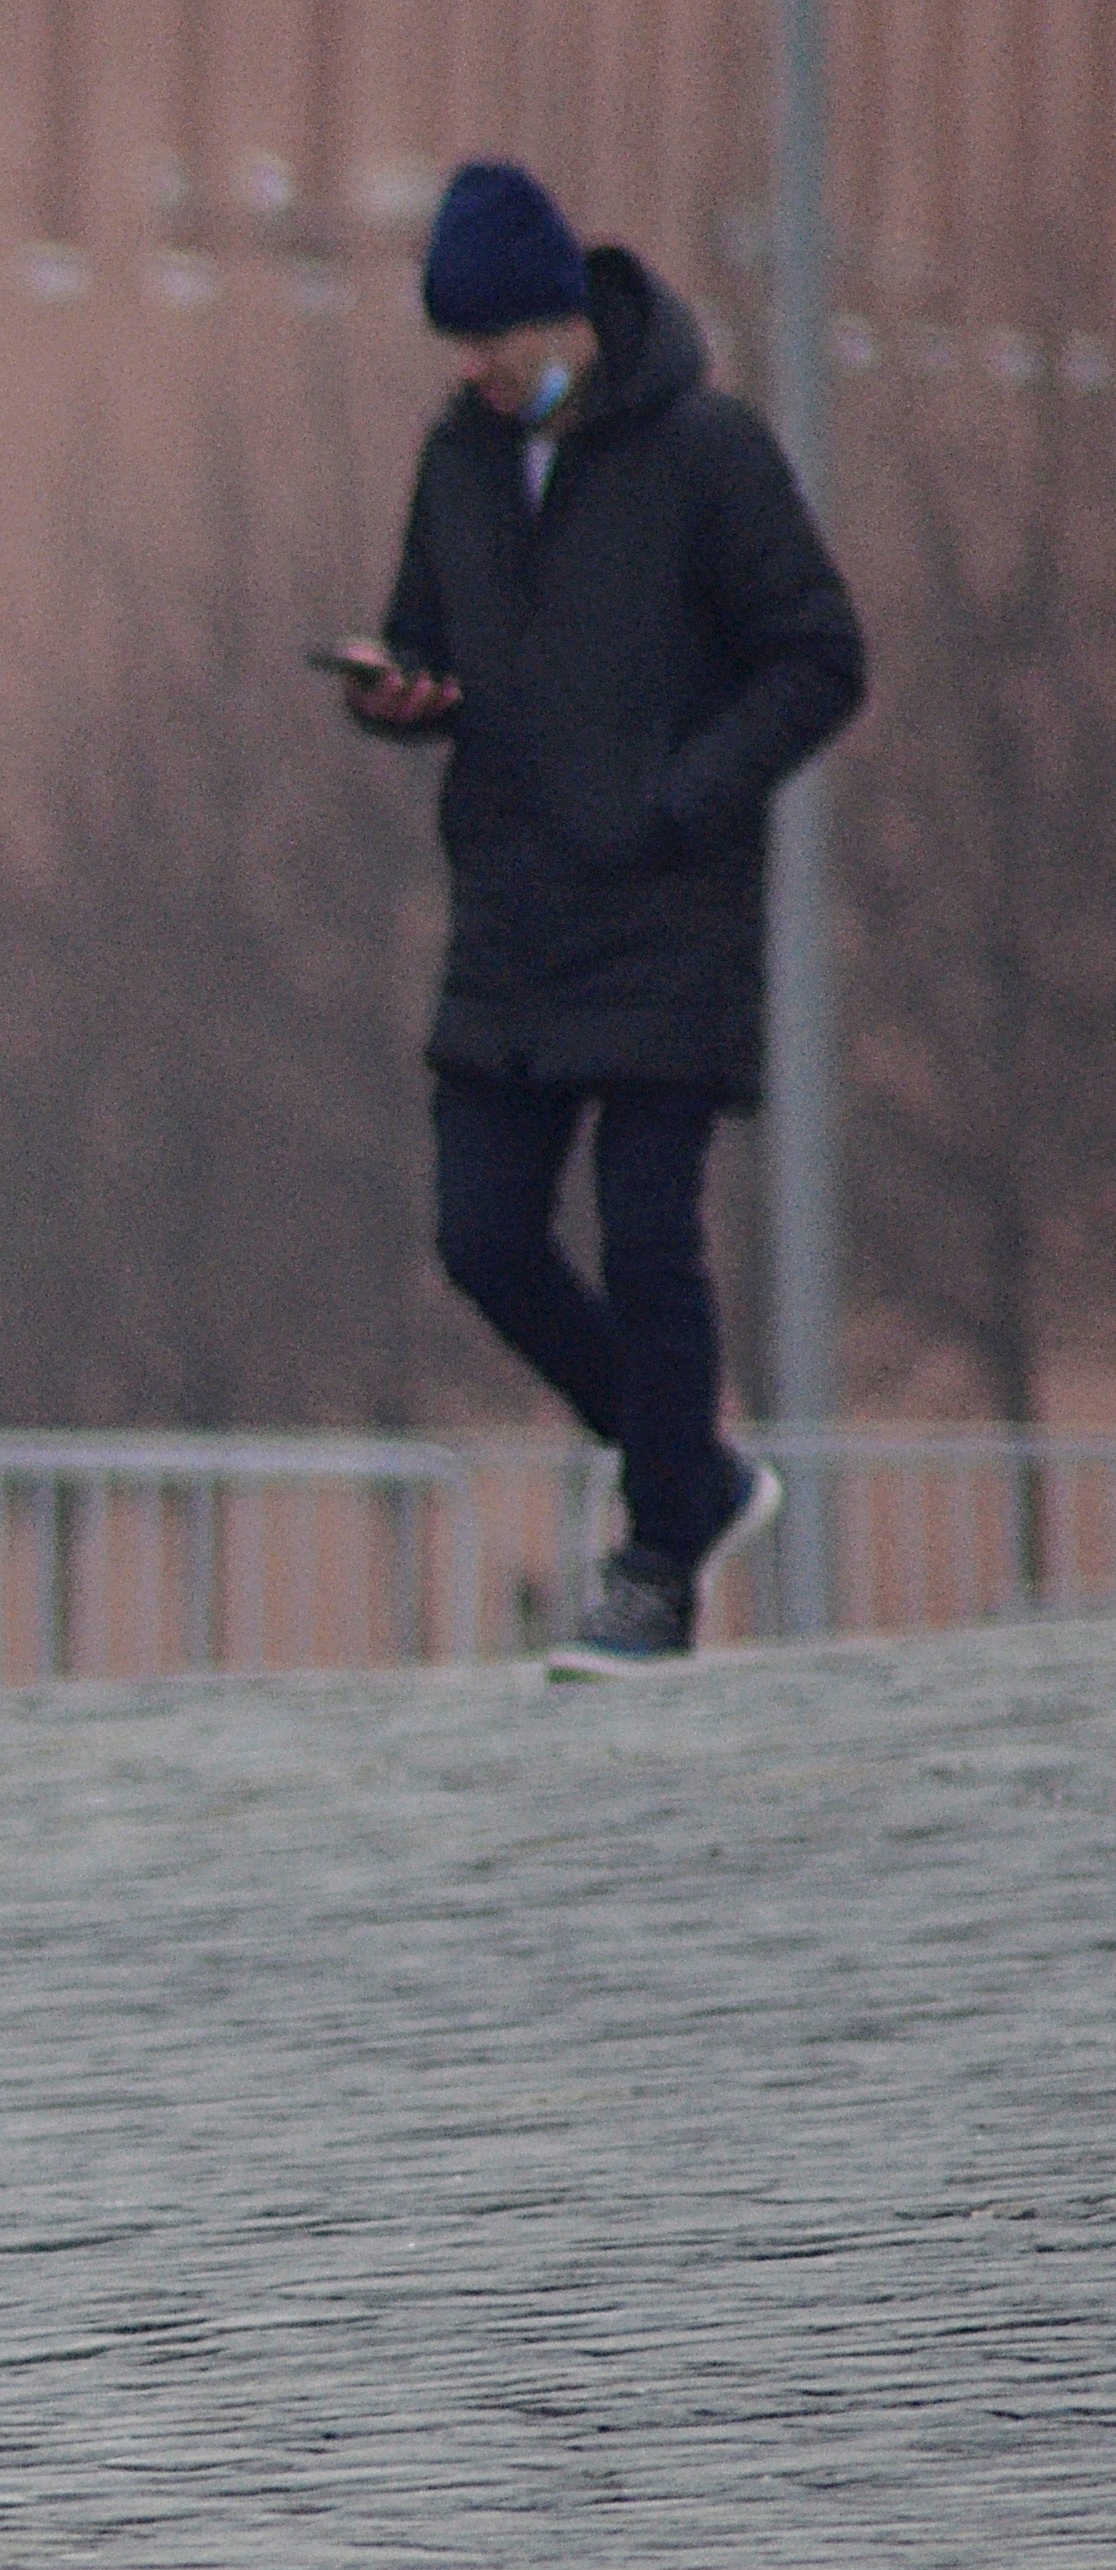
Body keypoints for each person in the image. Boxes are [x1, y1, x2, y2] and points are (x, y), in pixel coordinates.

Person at [336, 160, 863, 1678]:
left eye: (499, 336)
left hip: (663, 911)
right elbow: (431, 641)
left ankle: (654, 1567)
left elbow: (819, 656)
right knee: (483, 1238)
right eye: (465, 346)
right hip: (509, 914)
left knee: (650, 1243)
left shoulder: (706, 454)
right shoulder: (458, 462)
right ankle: (689, 1474)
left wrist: (682, 797)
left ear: (565, 311)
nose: (483, 369)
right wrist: (397, 696)